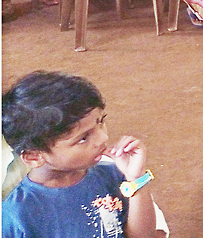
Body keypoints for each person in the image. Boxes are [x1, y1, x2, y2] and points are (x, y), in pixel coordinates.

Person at [1, 72, 158, 238]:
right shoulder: (17, 214)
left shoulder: (112, 174)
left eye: (100, 122)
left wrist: (136, 180)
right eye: (83, 138)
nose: (103, 138)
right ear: (34, 157)